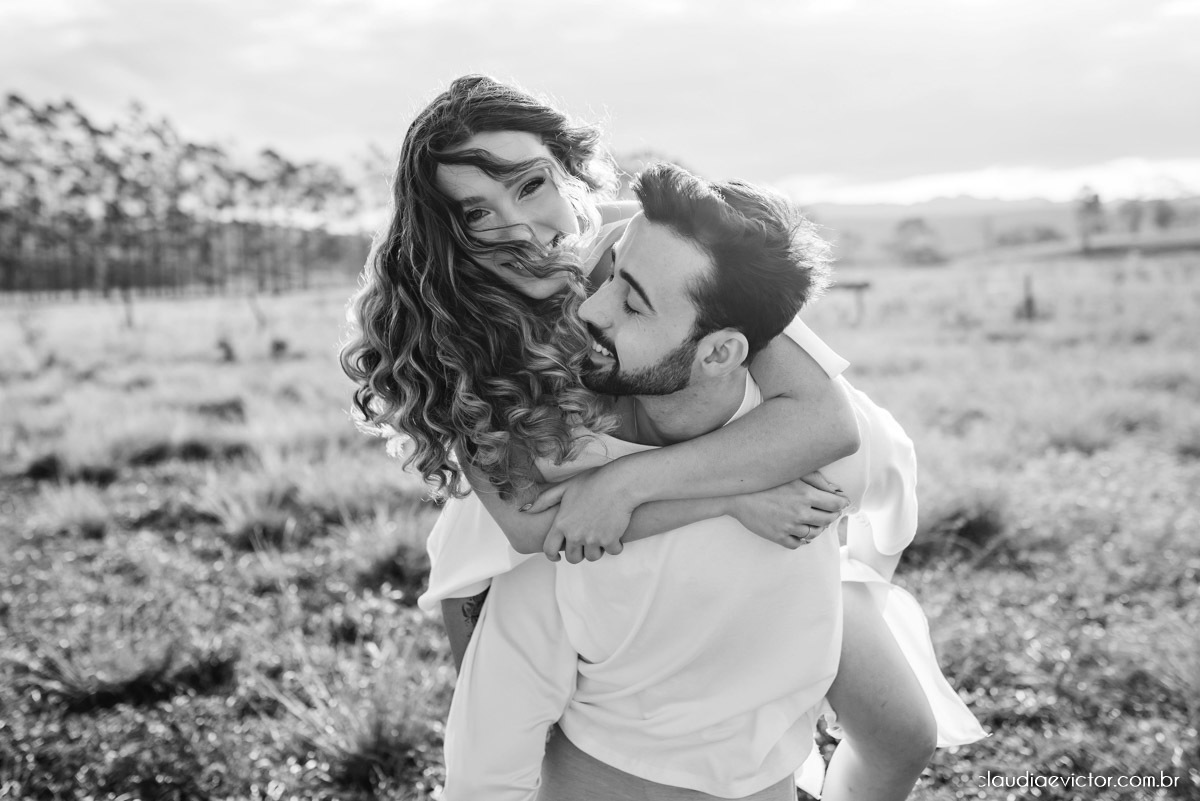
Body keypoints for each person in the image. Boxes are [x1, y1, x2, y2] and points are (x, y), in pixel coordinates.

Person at [340, 75, 983, 801]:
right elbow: (530, 524)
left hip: (715, 477)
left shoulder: (653, 244)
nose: (518, 227)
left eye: (530, 185)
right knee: (520, 755)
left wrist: (637, 482)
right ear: (443, 226)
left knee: (902, 734)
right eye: (475, 212)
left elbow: (820, 420)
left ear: (566, 164)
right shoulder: (449, 323)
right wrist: (734, 499)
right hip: (522, 548)